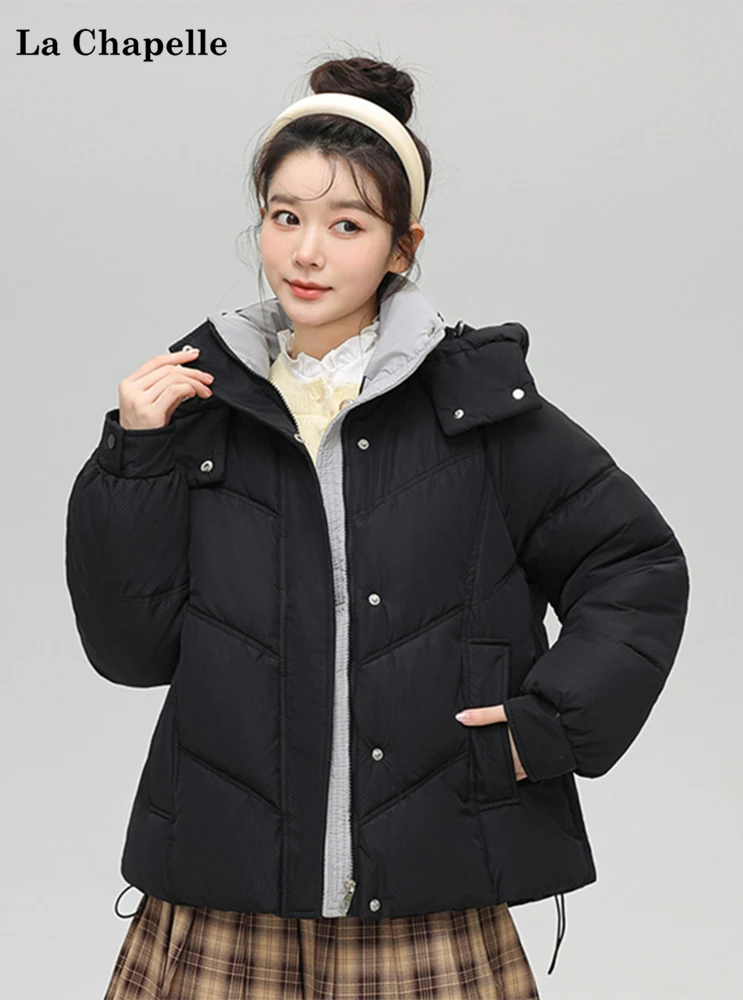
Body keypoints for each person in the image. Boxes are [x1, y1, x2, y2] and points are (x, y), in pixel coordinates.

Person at [65, 55, 690, 1000]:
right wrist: (135, 457)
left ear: (403, 248)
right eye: (285, 217)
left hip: (430, 891)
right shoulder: (198, 413)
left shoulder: (478, 410)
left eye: (347, 225)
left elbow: (635, 564)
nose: (306, 253)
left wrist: (548, 727)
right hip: (228, 889)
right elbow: (131, 651)